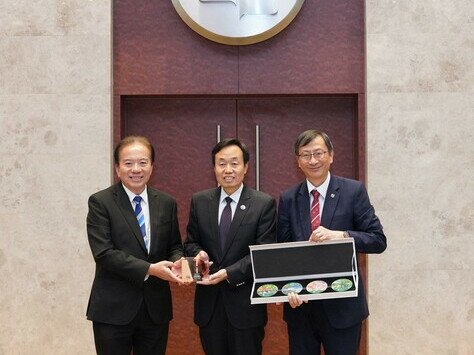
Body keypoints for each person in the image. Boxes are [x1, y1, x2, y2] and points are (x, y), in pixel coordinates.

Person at [277, 130, 387, 355]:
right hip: (301, 308)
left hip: (343, 308)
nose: (313, 160)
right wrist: (287, 290)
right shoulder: (288, 198)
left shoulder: (353, 191)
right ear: (298, 161)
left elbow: (378, 240)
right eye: (306, 155)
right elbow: (284, 251)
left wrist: (343, 236)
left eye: (319, 153)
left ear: (331, 156)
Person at [86, 136, 188, 355]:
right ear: (117, 168)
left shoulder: (166, 202)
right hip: (113, 310)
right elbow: (104, 253)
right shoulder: (101, 202)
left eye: (143, 162)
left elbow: (174, 246)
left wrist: (178, 261)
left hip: (155, 309)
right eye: (128, 163)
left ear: (152, 166)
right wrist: (150, 269)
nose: (136, 169)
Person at [184, 138, 277, 355]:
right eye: (221, 163)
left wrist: (229, 273)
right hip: (209, 305)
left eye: (234, 163)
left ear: (246, 168)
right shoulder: (200, 201)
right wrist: (198, 254)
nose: (228, 170)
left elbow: (264, 253)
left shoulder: (263, 204)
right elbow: (190, 243)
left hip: (245, 307)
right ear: (214, 168)